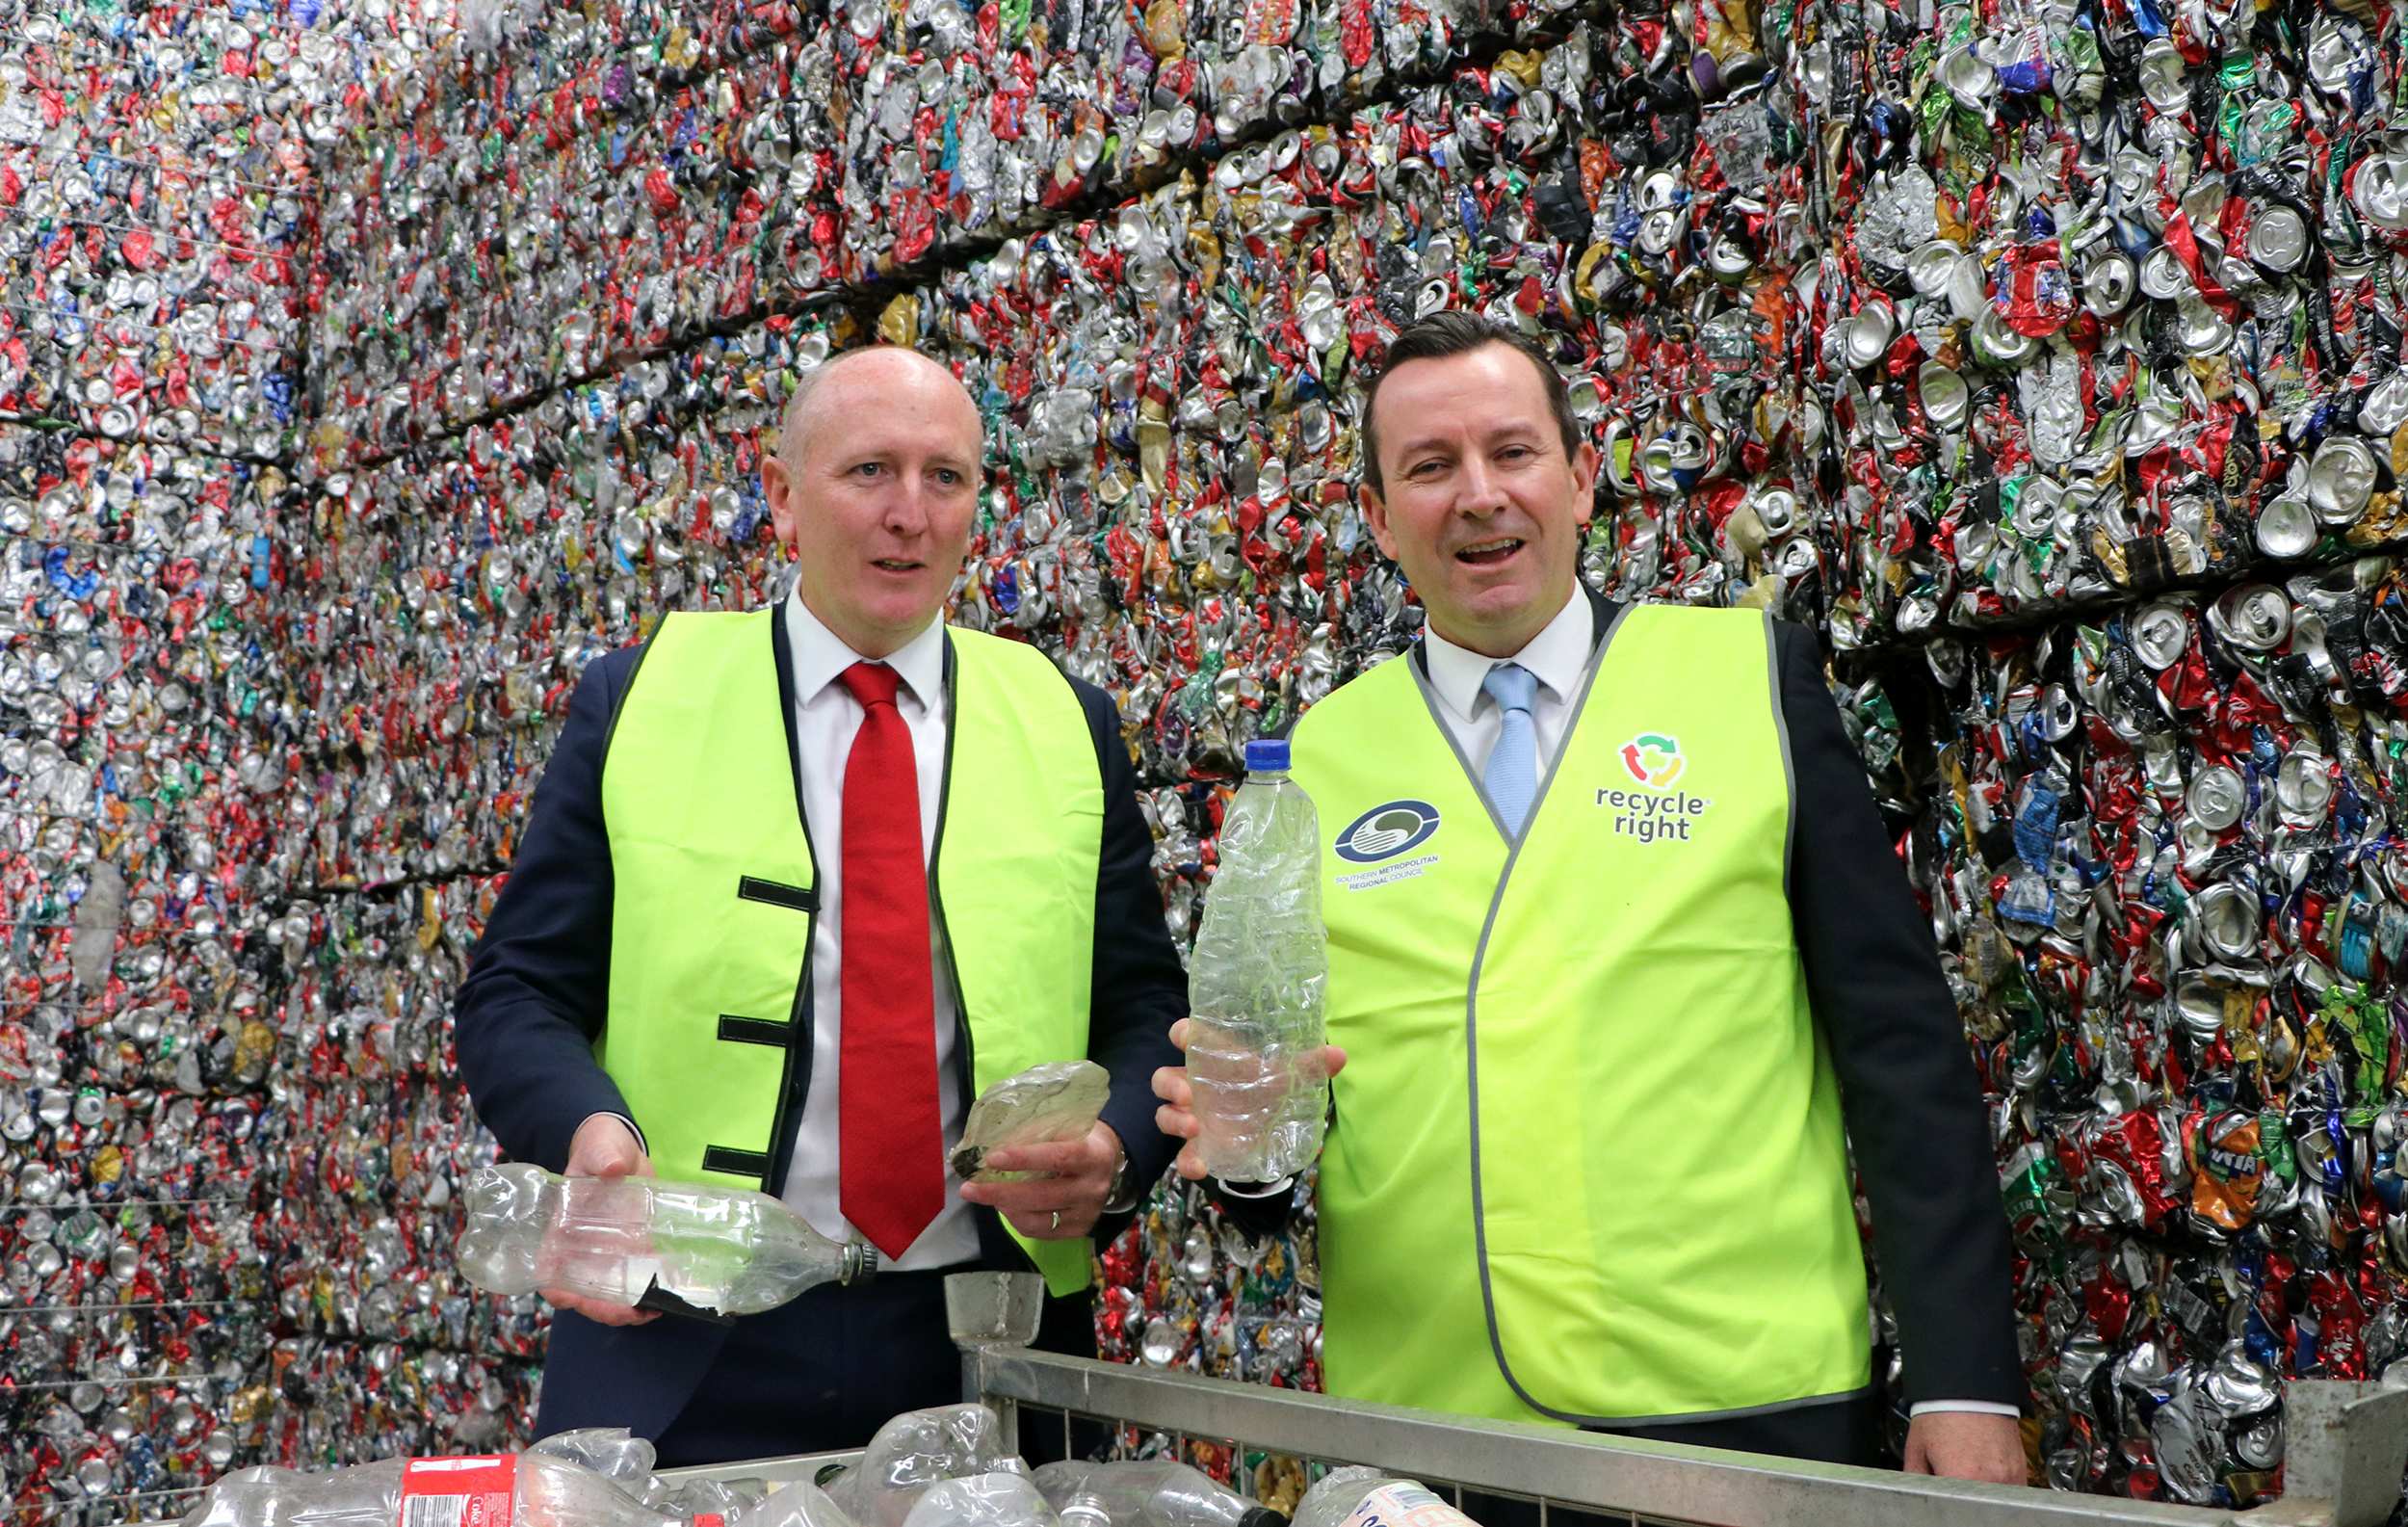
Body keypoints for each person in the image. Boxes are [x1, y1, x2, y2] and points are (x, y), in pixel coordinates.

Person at [1153, 312, 2028, 1483]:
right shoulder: (1314, 761)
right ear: (1373, 517)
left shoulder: (1747, 681)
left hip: (1737, 1402)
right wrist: (1248, 1150)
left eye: (1512, 453)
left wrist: (1965, 1378)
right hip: (1434, 1432)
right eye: (1428, 467)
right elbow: (1272, 1134)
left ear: (1579, 476)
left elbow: (1899, 1049)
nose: (1478, 496)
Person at [455, 346, 1185, 1463]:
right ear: (782, 494)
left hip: (981, 1338)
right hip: (684, 1335)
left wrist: (1118, 1149)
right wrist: (588, 1133)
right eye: (869, 472)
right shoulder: (638, 697)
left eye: (946, 478)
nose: (910, 514)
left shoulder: (1065, 719)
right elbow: (518, 991)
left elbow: (1142, 1005)